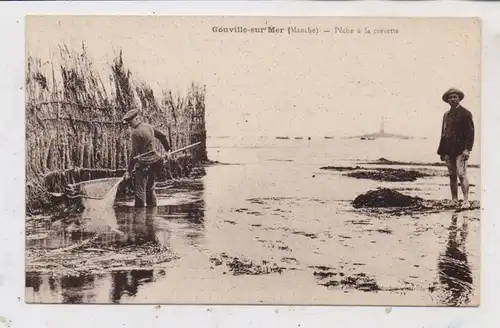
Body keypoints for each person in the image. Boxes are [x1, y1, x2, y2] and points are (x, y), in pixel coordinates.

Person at [122, 109, 172, 208]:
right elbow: (162, 137)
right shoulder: (149, 127)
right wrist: (168, 150)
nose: (129, 125)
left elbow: (134, 154)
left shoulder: (136, 133)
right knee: (150, 188)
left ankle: (139, 216)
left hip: (144, 164)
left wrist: (129, 171)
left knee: (139, 191)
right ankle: (151, 214)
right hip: (155, 162)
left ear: (137, 119)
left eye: (130, 122)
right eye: (128, 123)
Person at [437, 88, 475, 208]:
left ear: (459, 99)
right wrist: (441, 151)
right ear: (447, 100)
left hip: (460, 150)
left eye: (455, 97)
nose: (453, 99)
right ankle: (454, 200)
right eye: (450, 97)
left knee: (461, 174)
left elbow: (470, 133)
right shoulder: (446, 115)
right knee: (452, 175)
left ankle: (466, 201)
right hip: (448, 150)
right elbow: (444, 133)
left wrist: (467, 149)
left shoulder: (465, 113)